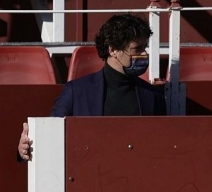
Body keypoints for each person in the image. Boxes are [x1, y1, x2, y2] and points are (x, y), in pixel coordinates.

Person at [17, 13, 166, 161]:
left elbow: (162, 146)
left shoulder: (153, 95)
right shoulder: (76, 91)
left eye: (144, 47)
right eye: (137, 49)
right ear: (113, 50)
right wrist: (24, 150)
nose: (144, 54)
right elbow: (50, 137)